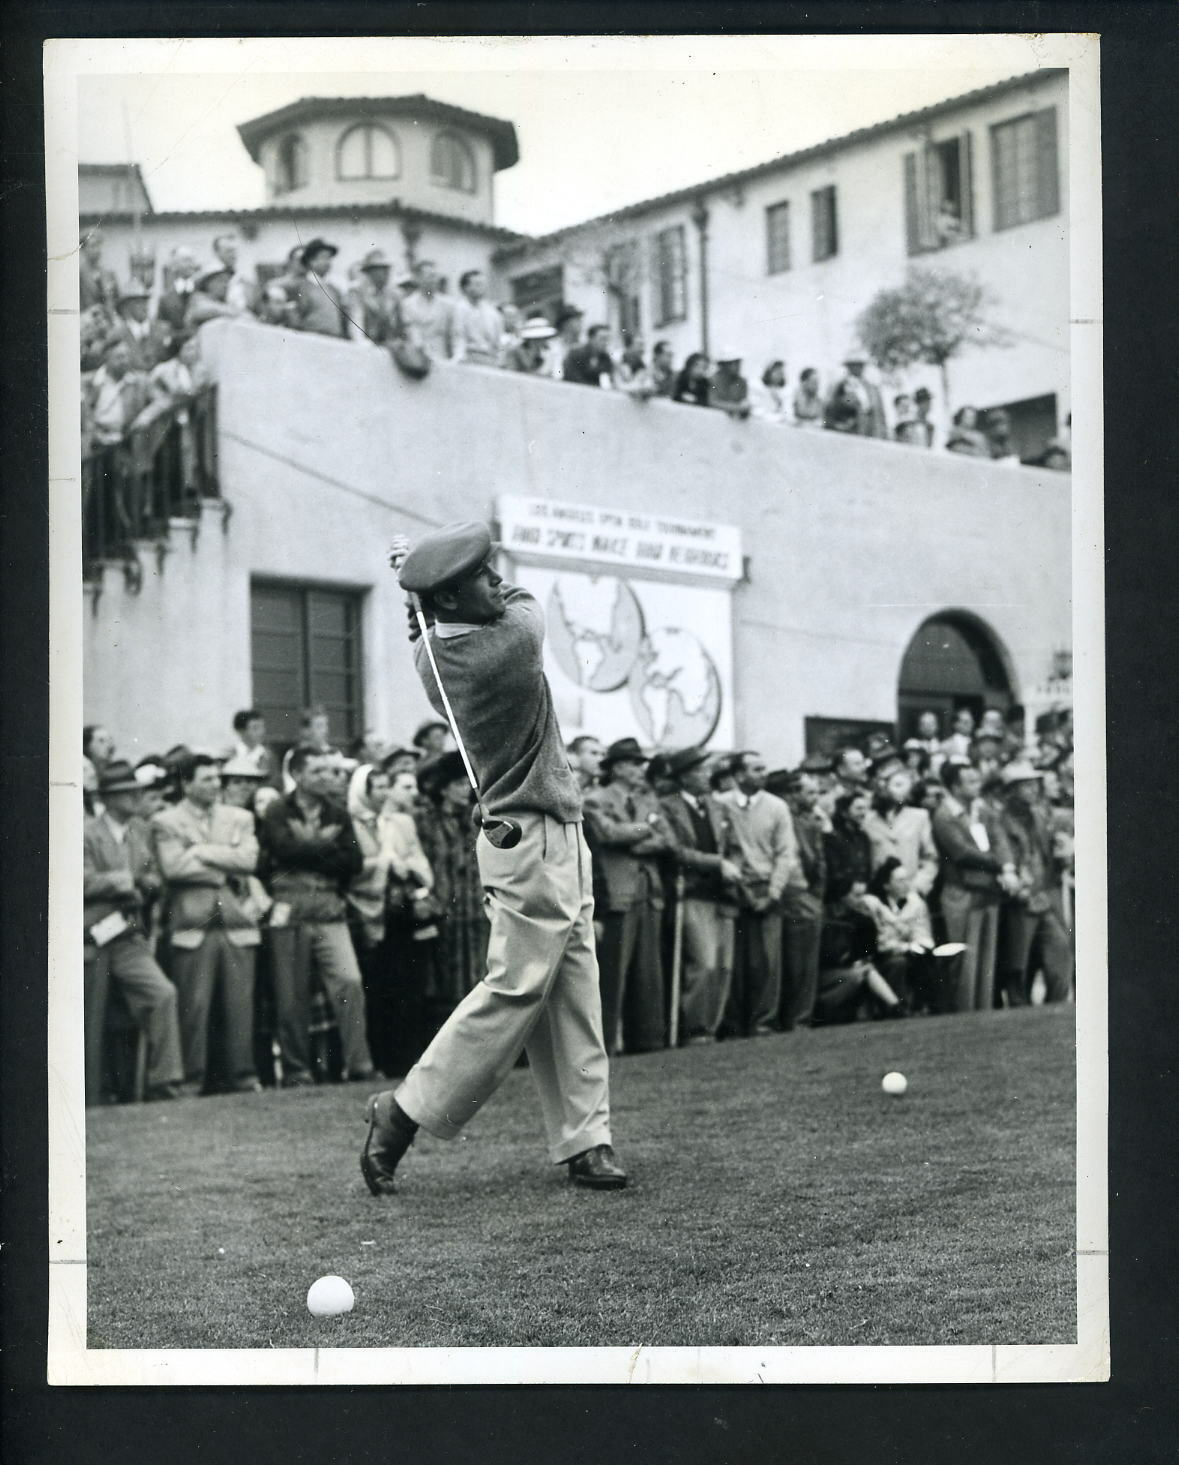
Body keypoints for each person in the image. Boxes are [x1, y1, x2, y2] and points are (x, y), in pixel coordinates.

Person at [361, 522, 628, 1194]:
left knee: (572, 987)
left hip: (551, 831)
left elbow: (429, 619)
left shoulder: (433, 648)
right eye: (477, 577)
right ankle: (400, 1112)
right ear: (449, 601)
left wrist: (420, 577)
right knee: (515, 988)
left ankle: (585, 1138)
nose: (491, 581)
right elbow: (523, 602)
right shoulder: (505, 644)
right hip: (530, 837)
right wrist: (423, 572)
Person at [258, 744, 377, 1086]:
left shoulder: (337, 812)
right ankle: (296, 1071)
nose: (328, 777)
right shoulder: (278, 810)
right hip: (290, 909)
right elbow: (282, 849)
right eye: (318, 771)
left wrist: (306, 846)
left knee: (350, 983)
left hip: (328, 910)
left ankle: (359, 1064)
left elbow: (352, 863)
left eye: (329, 771)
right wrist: (326, 844)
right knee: (289, 993)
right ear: (296, 774)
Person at [152, 754, 263, 1095]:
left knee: (241, 1008)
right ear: (186, 784)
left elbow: (249, 860)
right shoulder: (165, 821)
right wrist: (224, 862)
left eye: (217, 778)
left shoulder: (240, 817)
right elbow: (173, 868)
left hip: (236, 922)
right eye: (207, 779)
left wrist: (199, 851)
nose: (216, 785)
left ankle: (243, 1079)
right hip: (192, 924)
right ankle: (191, 1081)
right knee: (192, 1008)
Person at [83, 760, 184, 1104]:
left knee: (162, 994)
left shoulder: (140, 831)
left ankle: (164, 1084)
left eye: (137, 790)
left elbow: (154, 874)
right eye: (128, 792)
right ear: (109, 798)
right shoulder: (85, 832)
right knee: (91, 1019)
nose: (137, 796)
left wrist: (149, 884)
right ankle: (89, 1098)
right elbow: (78, 879)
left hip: (127, 934)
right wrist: (127, 882)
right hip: (91, 936)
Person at [582, 737, 672, 1055]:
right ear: (617, 767)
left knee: (649, 972)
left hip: (649, 891)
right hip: (617, 893)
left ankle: (647, 1041)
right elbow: (607, 833)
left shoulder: (648, 799)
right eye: (634, 764)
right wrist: (645, 829)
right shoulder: (596, 798)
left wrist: (634, 835)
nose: (639, 770)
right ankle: (606, 1042)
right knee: (613, 973)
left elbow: (667, 838)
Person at [658, 747, 741, 1044]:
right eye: (701, 771)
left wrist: (733, 866)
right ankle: (695, 1028)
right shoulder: (668, 806)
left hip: (723, 894)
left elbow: (733, 846)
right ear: (684, 777)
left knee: (723, 966)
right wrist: (718, 863)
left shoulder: (719, 808)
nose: (707, 776)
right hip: (691, 892)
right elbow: (675, 851)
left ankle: (712, 1027)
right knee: (703, 964)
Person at [717, 751, 799, 1037]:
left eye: (764, 768)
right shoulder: (721, 804)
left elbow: (785, 853)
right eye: (756, 769)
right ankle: (734, 1024)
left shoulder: (777, 806)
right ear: (739, 775)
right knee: (734, 960)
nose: (763, 774)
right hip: (732, 888)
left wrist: (773, 892)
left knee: (767, 960)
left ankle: (763, 1021)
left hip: (766, 887)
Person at [931, 760, 1019, 1013]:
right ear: (955, 787)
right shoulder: (945, 815)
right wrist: (1000, 866)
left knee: (986, 957)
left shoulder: (983, 811)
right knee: (964, 959)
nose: (976, 786)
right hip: (961, 893)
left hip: (987, 890)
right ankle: (963, 1012)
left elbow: (1000, 839)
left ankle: (982, 1011)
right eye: (970, 781)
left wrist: (1008, 866)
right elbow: (962, 853)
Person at [414, 751, 490, 1026]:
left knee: (480, 977)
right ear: (443, 788)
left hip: (475, 909)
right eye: (458, 784)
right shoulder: (425, 821)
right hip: (444, 912)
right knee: (444, 983)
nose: (464, 791)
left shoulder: (473, 821)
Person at [996, 762, 1074, 1006]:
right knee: (1018, 961)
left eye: (1033, 785)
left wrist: (1063, 848)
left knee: (1060, 946)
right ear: (1012, 790)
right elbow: (1002, 849)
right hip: (1021, 897)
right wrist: (1012, 874)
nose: (1033, 790)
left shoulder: (1039, 815)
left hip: (1044, 894)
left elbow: (1051, 848)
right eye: (1026, 786)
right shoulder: (1002, 819)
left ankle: (1056, 1004)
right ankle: (1019, 1007)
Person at [774, 769, 828, 1031]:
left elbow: (818, 863)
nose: (813, 798)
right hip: (793, 893)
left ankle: (799, 1018)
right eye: (807, 792)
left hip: (805, 895)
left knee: (802, 964)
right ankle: (795, 1019)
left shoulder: (811, 819)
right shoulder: (790, 819)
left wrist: (816, 894)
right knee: (795, 964)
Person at [861, 856, 935, 1012]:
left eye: (907, 879)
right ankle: (897, 1008)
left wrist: (917, 945)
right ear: (887, 885)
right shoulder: (874, 904)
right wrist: (905, 946)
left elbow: (922, 933)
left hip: (908, 950)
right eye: (900, 881)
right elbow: (880, 942)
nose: (906, 885)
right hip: (883, 954)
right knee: (898, 963)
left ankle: (923, 1007)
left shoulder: (916, 903)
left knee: (926, 959)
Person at [863, 767, 938, 897]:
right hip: (878, 892)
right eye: (894, 785)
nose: (896, 791)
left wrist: (918, 886)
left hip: (910, 891)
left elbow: (930, 857)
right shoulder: (867, 820)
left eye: (902, 785)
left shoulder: (919, 817)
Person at [82, 338, 153, 447]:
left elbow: (162, 400)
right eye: (119, 357)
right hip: (95, 444)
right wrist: (98, 436)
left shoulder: (139, 381)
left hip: (126, 442)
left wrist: (146, 415)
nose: (125, 361)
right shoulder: (90, 382)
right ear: (106, 358)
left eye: (127, 356)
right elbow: (84, 417)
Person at [288, 240, 351, 339]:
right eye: (323, 258)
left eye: (329, 258)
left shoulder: (334, 290)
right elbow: (294, 321)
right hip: (312, 341)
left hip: (335, 342)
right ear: (311, 261)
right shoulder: (300, 286)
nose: (328, 262)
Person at [397, 259, 455, 360]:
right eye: (429, 276)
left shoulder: (448, 304)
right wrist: (421, 351)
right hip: (418, 356)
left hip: (442, 356)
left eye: (435, 276)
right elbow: (411, 330)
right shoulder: (408, 304)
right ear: (418, 279)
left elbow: (453, 336)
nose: (433, 280)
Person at [110, 283, 172, 371]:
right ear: (126, 307)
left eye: (145, 301)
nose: (144, 306)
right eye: (138, 302)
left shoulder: (164, 328)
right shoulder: (117, 335)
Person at [346, 249, 402, 345]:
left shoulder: (394, 295)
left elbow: (401, 325)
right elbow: (356, 319)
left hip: (390, 345)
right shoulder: (358, 293)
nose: (385, 273)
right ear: (370, 272)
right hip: (368, 344)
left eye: (386, 269)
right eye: (380, 269)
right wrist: (361, 341)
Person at [824, 354, 888, 438]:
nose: (859, 367)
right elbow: (831, 408)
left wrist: (883, 433)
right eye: (855, 365)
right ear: (848, 367)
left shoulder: (872, 388)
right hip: (849, 432)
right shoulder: (839, 386)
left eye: (860, 364)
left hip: (871, 432)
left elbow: (880, 414)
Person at [452, 269, 504, 366]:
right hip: (469, 358)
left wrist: (499, 360)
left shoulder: (493, 312)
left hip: (490, 359)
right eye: (477, 284)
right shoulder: (460, 309)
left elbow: (499, 341)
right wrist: (459, 358)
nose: (482, 288)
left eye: (483, 284)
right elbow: (459, 337)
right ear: (466, 287)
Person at [79, 228, 119, 321]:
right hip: (87, 322)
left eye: (98, 246)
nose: (97, 250)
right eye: (92, 246)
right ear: (83, 250)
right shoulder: (79, 275)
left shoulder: (109, 274)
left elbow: (117, 300)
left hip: (108, 320)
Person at [211, 232, 255, 314]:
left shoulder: (241, 276)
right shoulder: (208, 278)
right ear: (217, 252)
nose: (233, 255)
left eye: (234, 251)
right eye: (228, 251)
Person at [562, 323, 615, 388]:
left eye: (608, 339)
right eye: (602, 339)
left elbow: (609, 380)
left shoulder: (606, 358)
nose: (606, 343)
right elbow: (571, 378)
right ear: (591, 338)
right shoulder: (575, 354)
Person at [226, 708, 274, 779]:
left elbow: (276, 782)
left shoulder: (269, 756)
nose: (261, 732)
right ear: (241, 731)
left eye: (262, 727)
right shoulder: (229, 755)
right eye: (255, 728)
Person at [547, 304, 585, 380]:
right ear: (566, 323)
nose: (581, 324)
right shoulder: (552, 345)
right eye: (577, 320)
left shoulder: (582, 346)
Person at [710, 350, 752, 418]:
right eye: (733, 363)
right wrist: (736, 407)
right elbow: (712, 402)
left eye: (738, 363)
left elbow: (743, 401)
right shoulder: (713, 380)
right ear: (724, 365)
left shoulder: (741, 382)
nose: (738, 366)